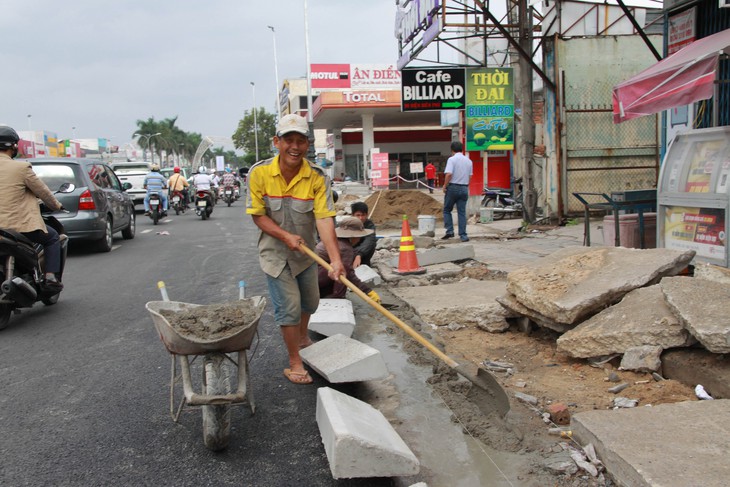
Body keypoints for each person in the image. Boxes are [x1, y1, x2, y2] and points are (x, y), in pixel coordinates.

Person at [246, 114, 344, 385]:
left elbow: (324, 219)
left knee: (310, 302)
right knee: (289, 308)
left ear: (307, 145)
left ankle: (302, 339)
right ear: (277, 142)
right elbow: (258, 215)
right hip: (275, 254)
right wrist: (285, 236)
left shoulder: (316, 176)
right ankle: (294, 361)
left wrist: (336, 261)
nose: (295, 146)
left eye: (301, 141)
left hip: (306, 254)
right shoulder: (260, 173)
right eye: (289, 140)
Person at [0, 126, 65, 289]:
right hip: (17, 226)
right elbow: (43, 192)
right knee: (52, 238)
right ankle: (50, 278)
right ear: (14, 146)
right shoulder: (21, 168)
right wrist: (56, 206)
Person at [316, 217, 380, 302]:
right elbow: (349, 274)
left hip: (314, 278)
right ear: (354, 236)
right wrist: (367, 291)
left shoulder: (333, 241)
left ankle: (326, 294)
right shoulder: (345, 248)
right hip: (315, 277)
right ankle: (337, 297)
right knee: (342, 271)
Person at [442, 141, 473, 242]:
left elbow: (449, 174)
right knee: (461, 212)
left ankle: (450, 231)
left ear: (452, 150)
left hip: (453, 187)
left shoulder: (452, 159)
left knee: (447, 210)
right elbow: (470, 176)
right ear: (462, 149)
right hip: (464, 188)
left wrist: (445, 185)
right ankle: (463, 235)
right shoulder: (469, 161)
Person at [350, 201, 376, 268]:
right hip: (349, 253)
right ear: (353, 215)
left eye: (363, 215)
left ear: (367, 215)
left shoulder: (369, 225)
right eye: (358, 215)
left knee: (372, 244)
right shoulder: (347, 225)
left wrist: (359, 255)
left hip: (362, 255)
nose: (360, 218)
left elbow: (369, 241)